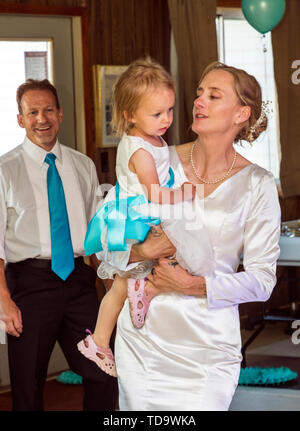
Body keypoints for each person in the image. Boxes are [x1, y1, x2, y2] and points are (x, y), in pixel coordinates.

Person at [114, 61, 281, 411]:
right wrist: (143, 250)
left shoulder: (258, 185)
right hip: (144, 339)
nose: (198, 102)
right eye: (198, 93)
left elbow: (262, 281)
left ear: (241, 113)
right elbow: (109, 246)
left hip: (209, 345)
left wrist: (191, 285)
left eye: (213, 95)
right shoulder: (154, 160)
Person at [0, 79, 118, 411]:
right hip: (28, 286)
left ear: (60, 114)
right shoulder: (4, 171)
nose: (42, 118)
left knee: (103, 371)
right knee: (28, 385)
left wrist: (111, 288)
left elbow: (97, 238)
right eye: (33, 111)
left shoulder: (83, 166)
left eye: (49, 109)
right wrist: (4, 301)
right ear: (20, 119)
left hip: (79, 283)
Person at [77, 58, 195, 377]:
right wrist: (186, 192)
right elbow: (155, 192)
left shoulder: (154, 138)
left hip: (149, 214)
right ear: (130, 114)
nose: (166, 119)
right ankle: (99, 340)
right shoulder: (139, 150)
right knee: (120, 283)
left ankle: (143, 293)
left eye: (169, 110)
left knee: (155, 267)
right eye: (157, 114)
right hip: (135, 219)